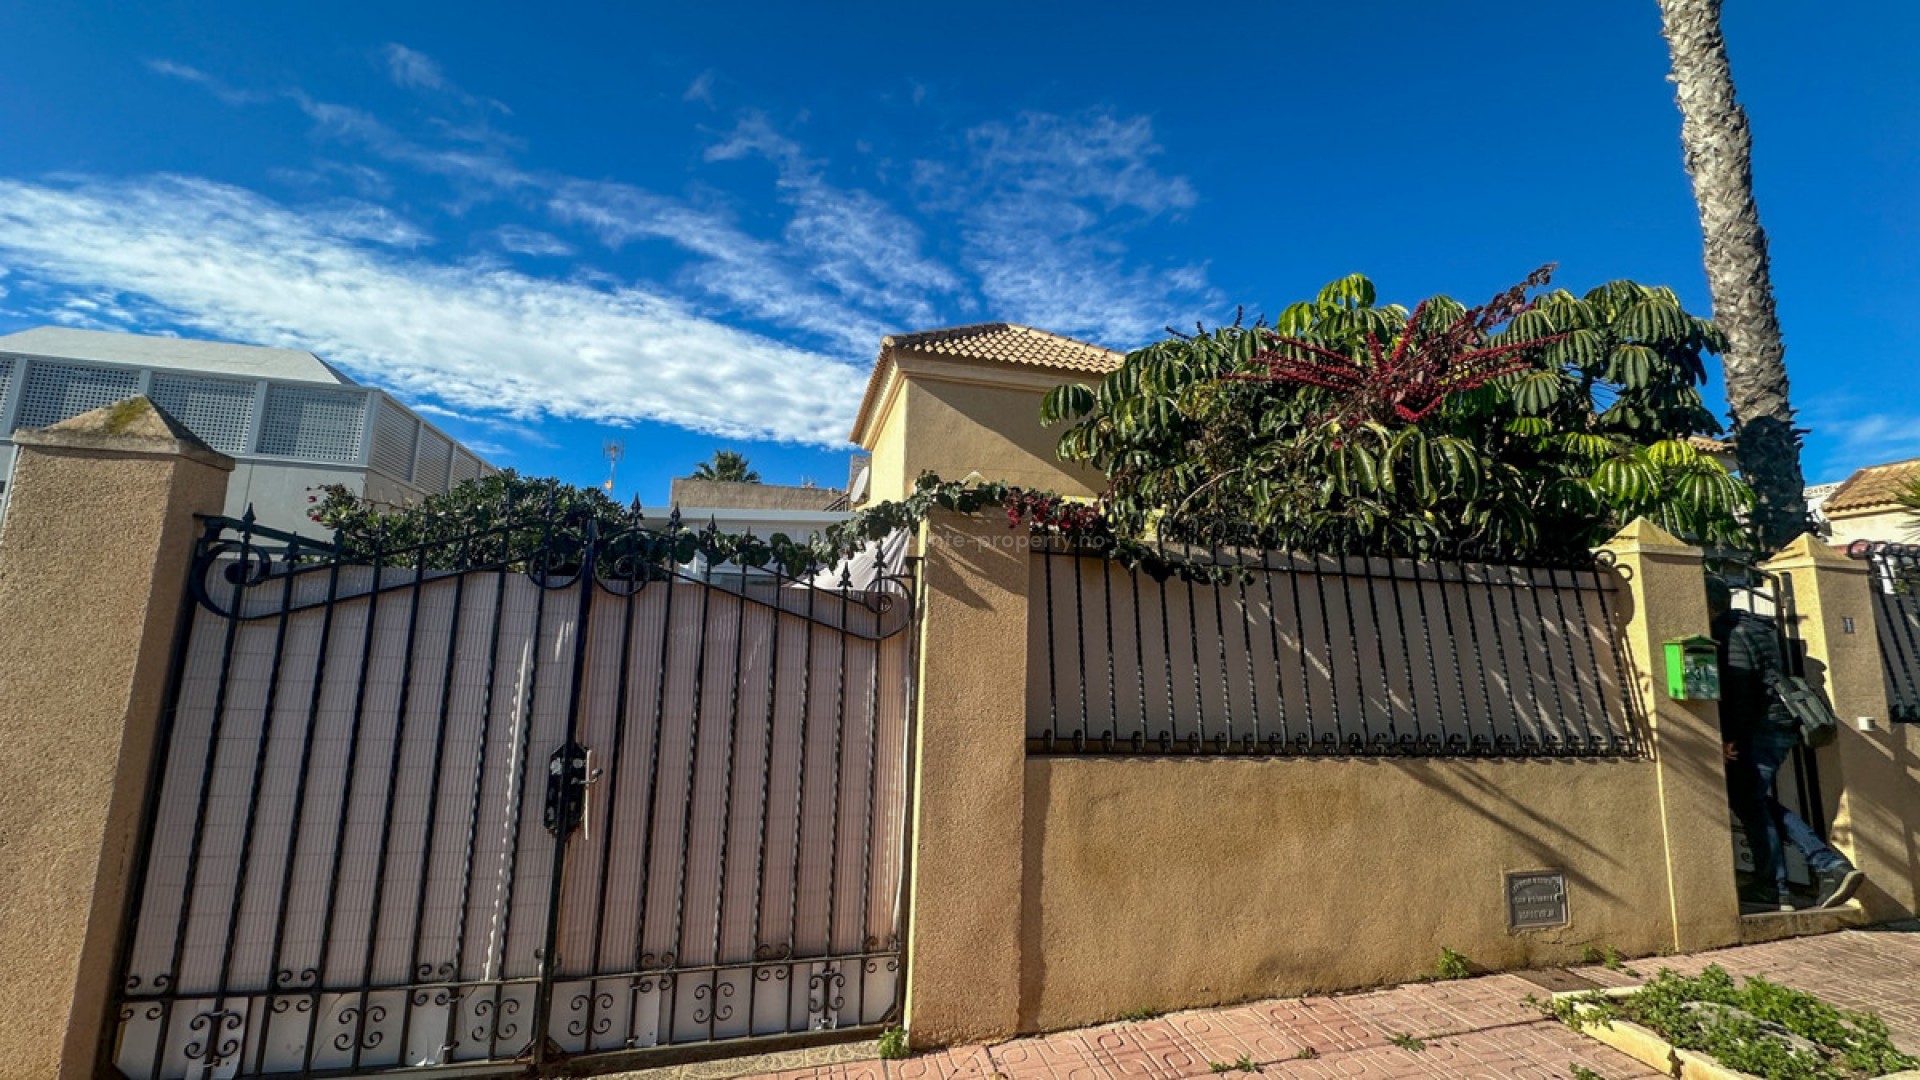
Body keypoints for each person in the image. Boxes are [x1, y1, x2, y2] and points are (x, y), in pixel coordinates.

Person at [1707, 579, 1865, 911]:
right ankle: (1817, 870)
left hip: (1759, 727)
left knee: (1749, 801)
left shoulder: (1729, 631)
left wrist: (1730, 737)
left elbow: (1741, 689)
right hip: (1780, 723)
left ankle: (1795, 879)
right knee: (1753, 799)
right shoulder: (1757, 627)